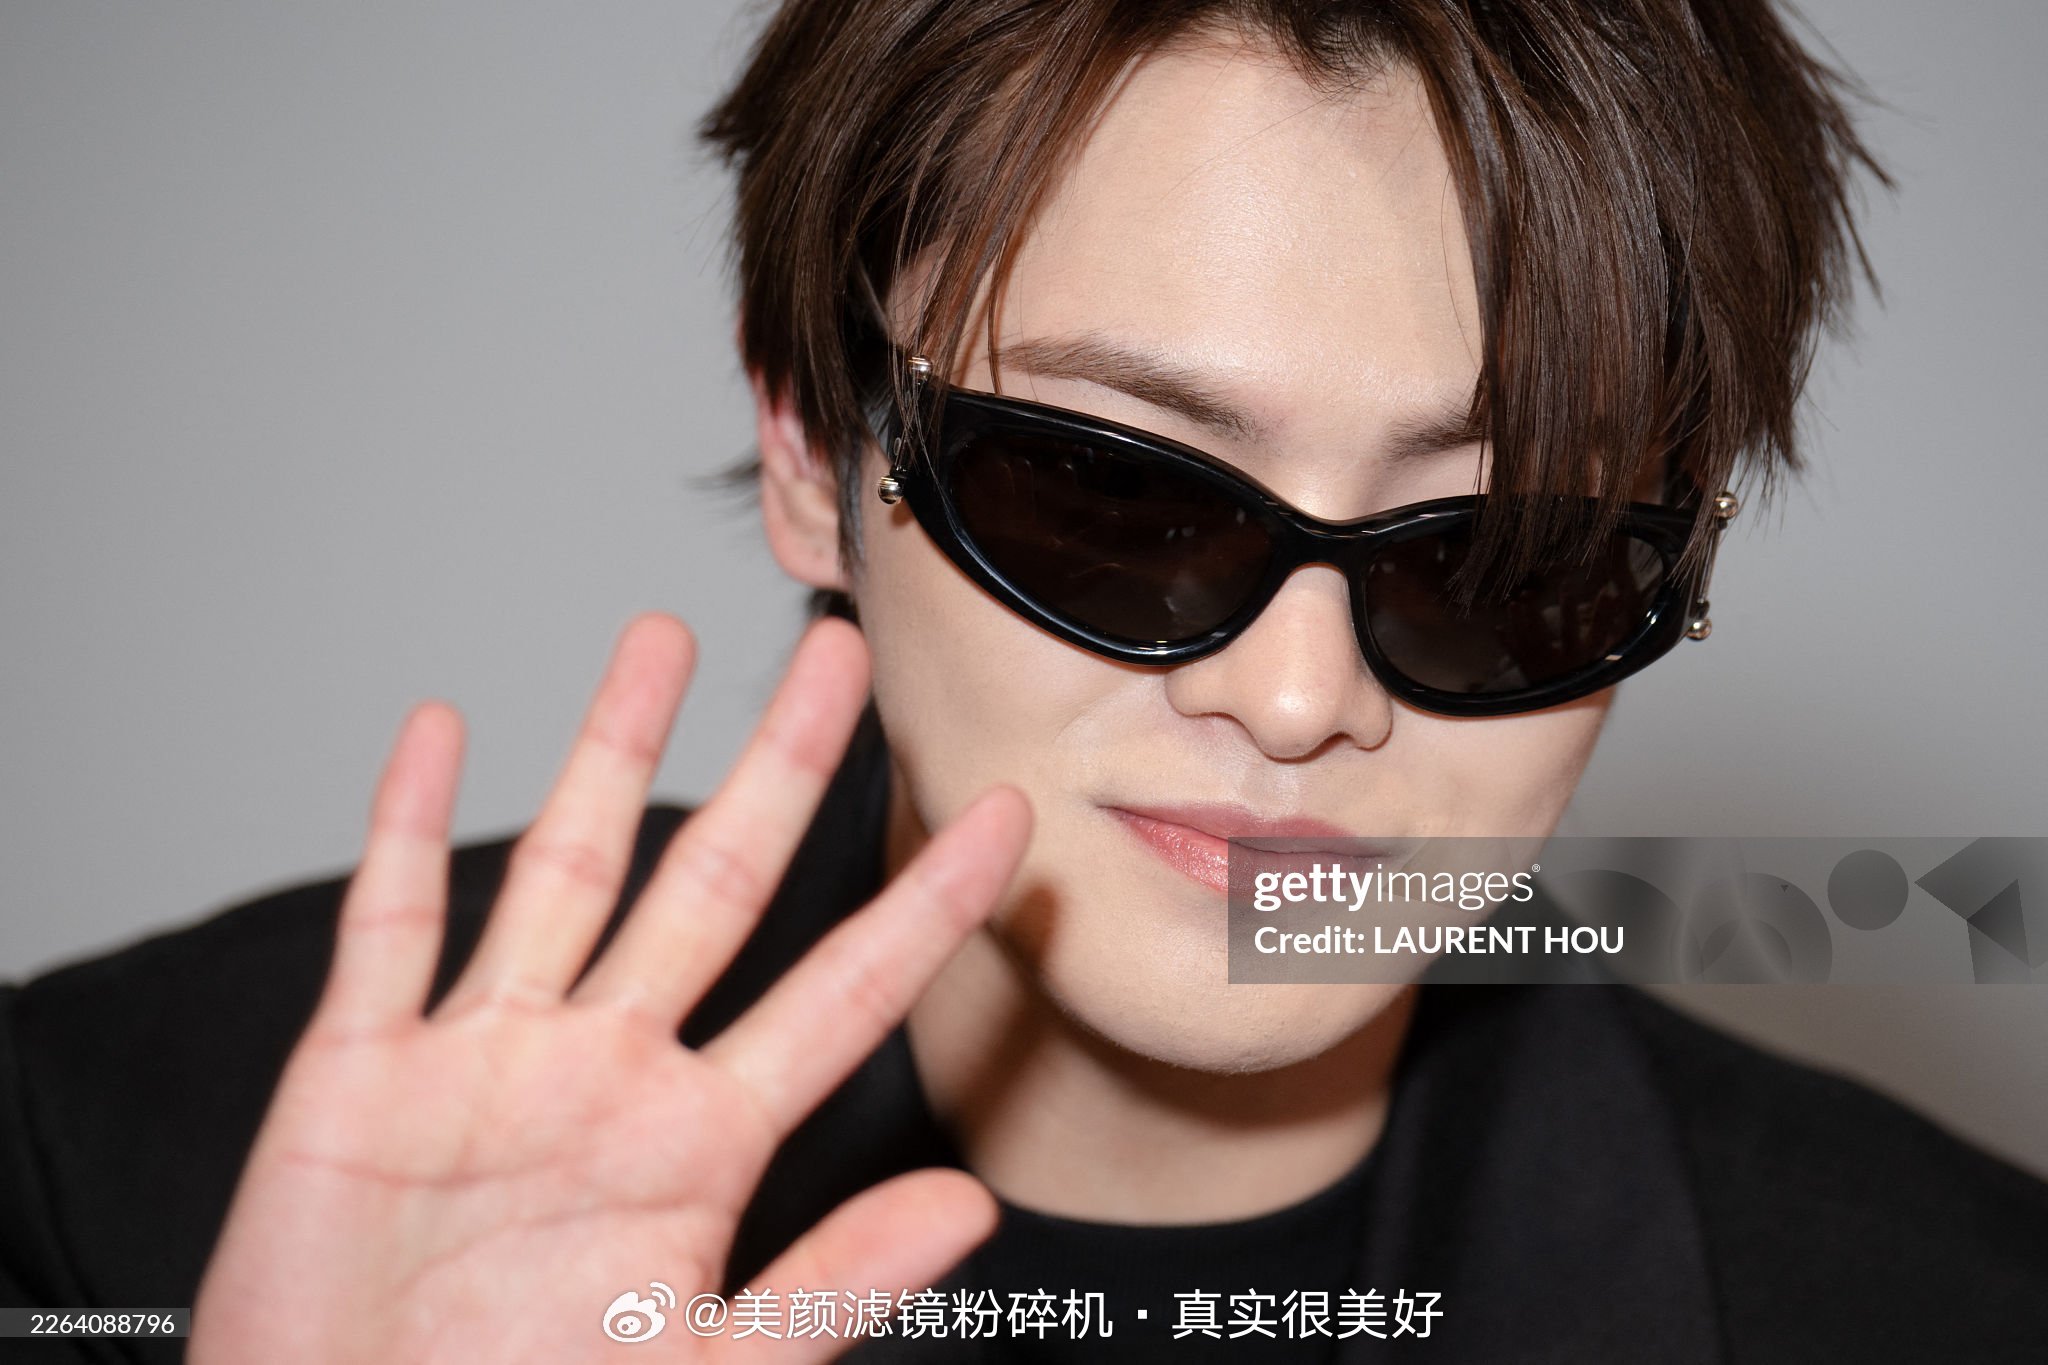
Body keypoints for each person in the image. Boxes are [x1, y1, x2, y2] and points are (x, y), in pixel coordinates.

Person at [4, 1, 2046, 1361]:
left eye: (1501, 556)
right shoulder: (105, 1169)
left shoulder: (1945, 1304)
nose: (1296, 694)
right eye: (1115, 494)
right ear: (814, 452)